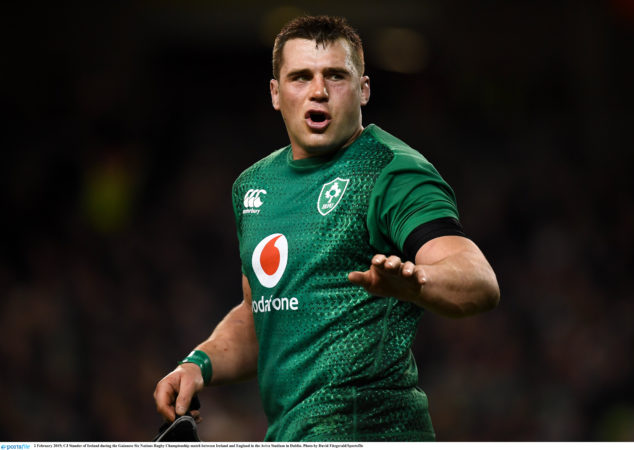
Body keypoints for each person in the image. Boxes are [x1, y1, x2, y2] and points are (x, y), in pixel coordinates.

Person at [154, 15, 500, 442]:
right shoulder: (253, 186)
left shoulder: (392, 170)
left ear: (363, 89)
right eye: (301, 77)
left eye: (335, 75)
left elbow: (479, 280)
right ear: (276, 94)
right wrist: (197, 365)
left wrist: (418, 282)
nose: (318, 91)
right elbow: (262, 313)